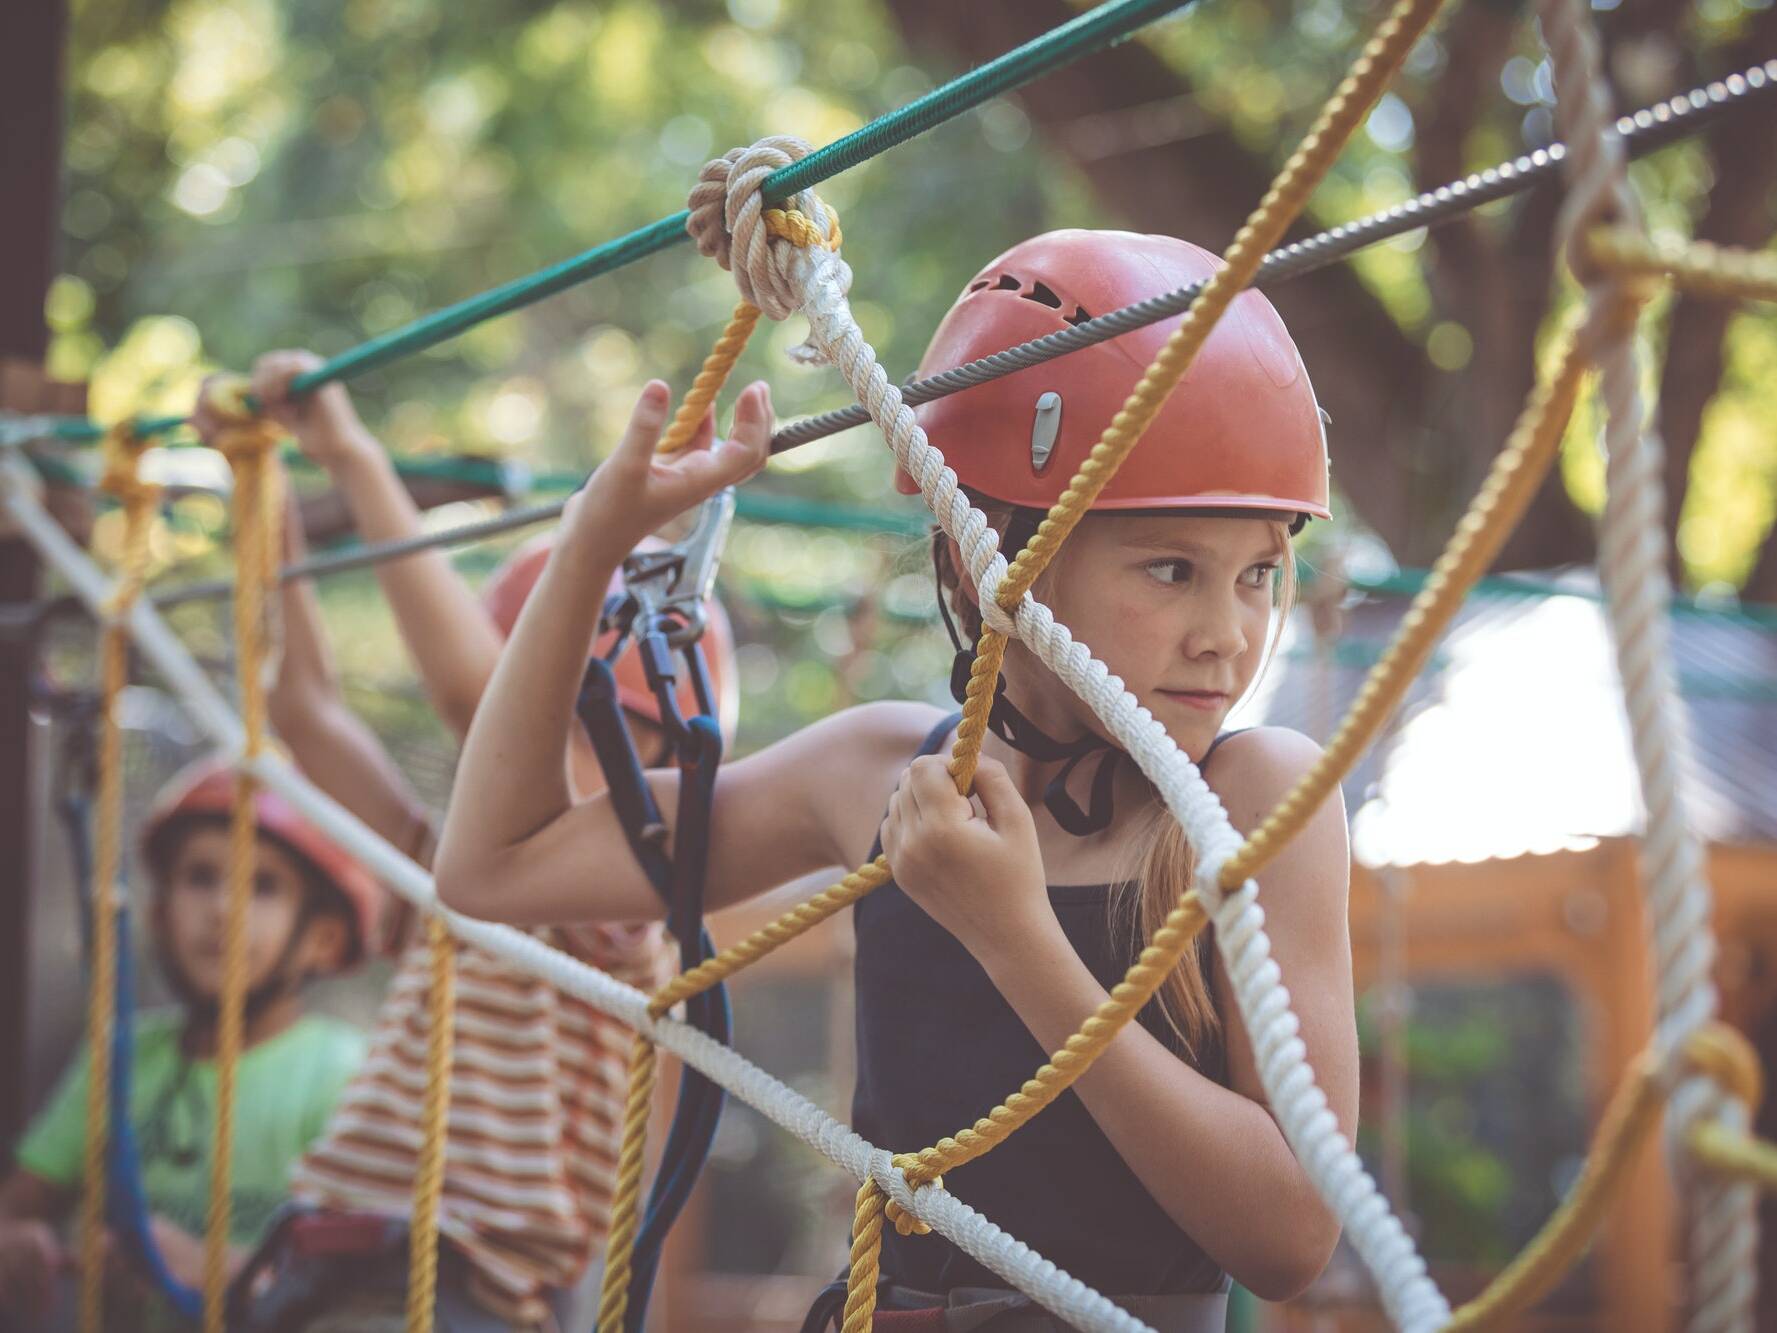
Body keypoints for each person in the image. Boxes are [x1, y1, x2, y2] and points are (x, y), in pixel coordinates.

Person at [435, 229, 1359, 1331]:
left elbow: (1292, 1236)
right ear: (991, 554)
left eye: (1260, 574)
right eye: (1172, 570)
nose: (1226, 635)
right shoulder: (882, 773)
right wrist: (591, 544)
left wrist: (1014, 936)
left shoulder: (1253, 801)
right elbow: (495, 866)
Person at [194, 355, 733, 1331]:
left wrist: (354, 455)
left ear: (669, 762)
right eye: (542, 718)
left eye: (587, 721)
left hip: (470, 1291)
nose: (526, 748)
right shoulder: (456, 880)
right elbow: (302, 704)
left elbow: (471, 695)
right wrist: (258, 492)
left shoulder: (627, 906)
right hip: (328, 1254)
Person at [0, 758, 376, 1332]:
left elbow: (370, 1283)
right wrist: (17, 1238)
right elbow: (20, 1202)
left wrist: (227, 1269)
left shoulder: (348, 1076)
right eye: (201, 877)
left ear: (322, 940)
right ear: (157, 915)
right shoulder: (120, 1057)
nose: (222, 908)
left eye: (263, 885)